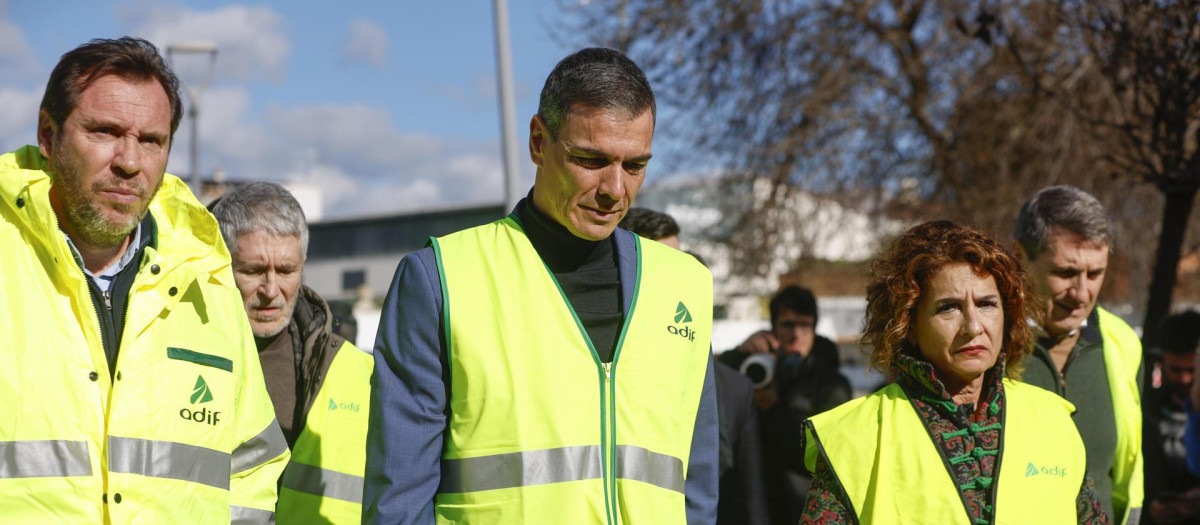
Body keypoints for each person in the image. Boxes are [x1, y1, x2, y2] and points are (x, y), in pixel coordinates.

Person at [364, 48, 719, 523]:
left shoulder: (685, 284)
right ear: (537, 142)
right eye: (591, 160)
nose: (615, 189)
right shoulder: (440, 278)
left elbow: (695, 482)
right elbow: (399, 500)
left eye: (635, 166)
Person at [0, 37, 287, 523]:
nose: (130, 162)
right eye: (105, 132)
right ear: (48, 137)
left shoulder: (208, 285)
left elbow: (251, 467)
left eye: (151, 141)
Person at [801, 220, 1107, 523]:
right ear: (907, 326)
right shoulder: (855, 435)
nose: (973, 327)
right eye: (949, 307)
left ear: (1007, 314)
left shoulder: (1053, 419)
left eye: (987, 304)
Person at [211, 182, 374, 524]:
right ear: (219, 263)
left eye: (286, 271)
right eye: (253, 271)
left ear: (303, 264)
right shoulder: (176, 356)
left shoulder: (352, 370)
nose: (271, 291)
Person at [620, 207, 768, 525]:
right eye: (661, 259)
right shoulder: (609, 355)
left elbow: (722, 473)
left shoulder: (719, 373)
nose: (675, 272)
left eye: (679, 258)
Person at [1013, 185, 1143, 524]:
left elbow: (1127, 477)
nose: (1082, 292)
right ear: (1018, 256)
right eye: (1066, 272)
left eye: (1095, 273)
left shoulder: (1123, 343)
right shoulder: (983, 347)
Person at [719, 285, 851, 524]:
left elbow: (822, 454)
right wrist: (742, 352)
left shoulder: (832, 384)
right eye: (788, 325)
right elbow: (716, 380)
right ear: (773, 328)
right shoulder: (758, 365)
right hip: (753, 506)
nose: (796, 334)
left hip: (803, 508)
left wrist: (773, 407)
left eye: (804, 325)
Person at [1144, 310, 1200, 524]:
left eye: (1192, 370)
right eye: (1175, 369)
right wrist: (1151, 507)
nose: (1185, 379)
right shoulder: (1147, 410)